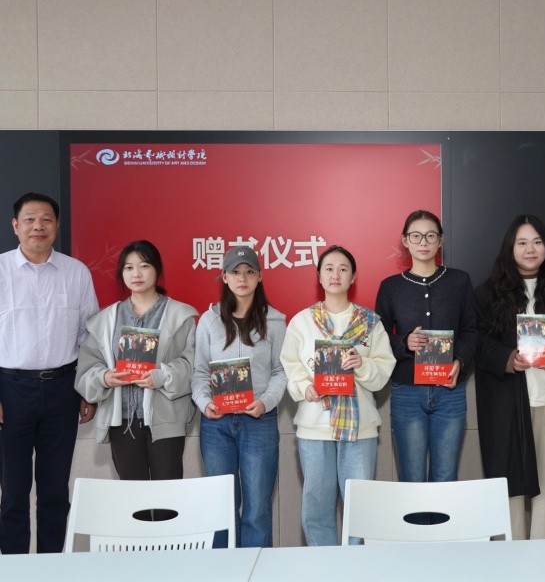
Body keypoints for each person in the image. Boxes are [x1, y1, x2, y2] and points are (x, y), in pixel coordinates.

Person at [474, 215, 545, 540]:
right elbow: (475, 339)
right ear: (510, 248)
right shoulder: (488, 294)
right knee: (509, 485)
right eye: (522, 243)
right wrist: (505, 358)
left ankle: (544, 559)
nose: (530, 249)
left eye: (537, 242)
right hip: (506, 405)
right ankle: (510, 558)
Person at [0, 192, 99, 553]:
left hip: (62, 388)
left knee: (56, 492)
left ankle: (52, 569)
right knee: (13, 493)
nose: (37, 226)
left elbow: (90, 336)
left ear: (57, 226)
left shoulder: (76, 272)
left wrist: (88, 389)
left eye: (46, 219)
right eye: (29, 219)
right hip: (10, 390)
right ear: (15, 226)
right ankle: (13, 570)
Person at [280, 245, 395, 546]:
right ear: (319, 276)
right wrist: (304, 387)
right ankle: (323, 566)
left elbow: (384, 370)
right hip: (314, 427)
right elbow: (290, 365)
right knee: (316, 507)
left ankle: (355, 566)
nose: (335, 274)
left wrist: (362, 365)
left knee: (360, 509)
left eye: (343, 269)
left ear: (353, 277)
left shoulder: (371, 322)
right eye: (329, 268)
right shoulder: (302, 321)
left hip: (360, 429)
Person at [75, 240, 198, 482]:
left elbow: (192, 364)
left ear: (157, 270)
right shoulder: (105, 320)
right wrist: (104, 378)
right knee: (132, 497)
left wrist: (161, 376)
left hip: (165, 421)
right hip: (122, 423)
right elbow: (87, 367)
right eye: (129, 268)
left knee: (167, 495)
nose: (137, 274)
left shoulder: (181, 316)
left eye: (144, 266)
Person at [191, 246, 287, 547]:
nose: (242, 278)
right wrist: (205, 403)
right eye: (235, 272)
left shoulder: (276, 321)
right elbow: (199, 371)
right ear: (224, 277)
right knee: (220, 508)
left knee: (257, 510)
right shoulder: (209, 320)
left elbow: (280, 372)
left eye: (249, 271)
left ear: (259, 276)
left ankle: (257, 568)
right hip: (216, 424)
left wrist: (265, 402)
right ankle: (223, 569)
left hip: (259, 421)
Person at [375, 210, 477, 483]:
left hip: (450, 391)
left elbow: (471, 330)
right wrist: (404, 342)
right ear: (405, 241)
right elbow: (378, 337)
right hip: (407, 392)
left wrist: (460, 361)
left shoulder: (459, 281)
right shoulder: (390, 287)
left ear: (440, 240)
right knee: (412, 477)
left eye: (431, 236)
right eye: (416, 236)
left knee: (445, 476)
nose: (423, 242)